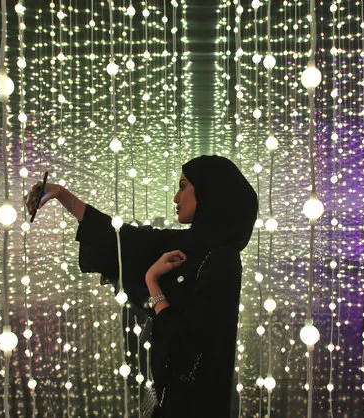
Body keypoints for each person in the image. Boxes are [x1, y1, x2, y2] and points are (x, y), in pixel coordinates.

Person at [26, 155, 258, 417]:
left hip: (195, 404)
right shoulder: (190, 245)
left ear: (208, 191)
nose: (175, 198)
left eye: (183, 186)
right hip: (173, 397)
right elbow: (124, 240)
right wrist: (59, 194)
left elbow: (189, 352)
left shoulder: (222, 260)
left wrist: (153, 284)